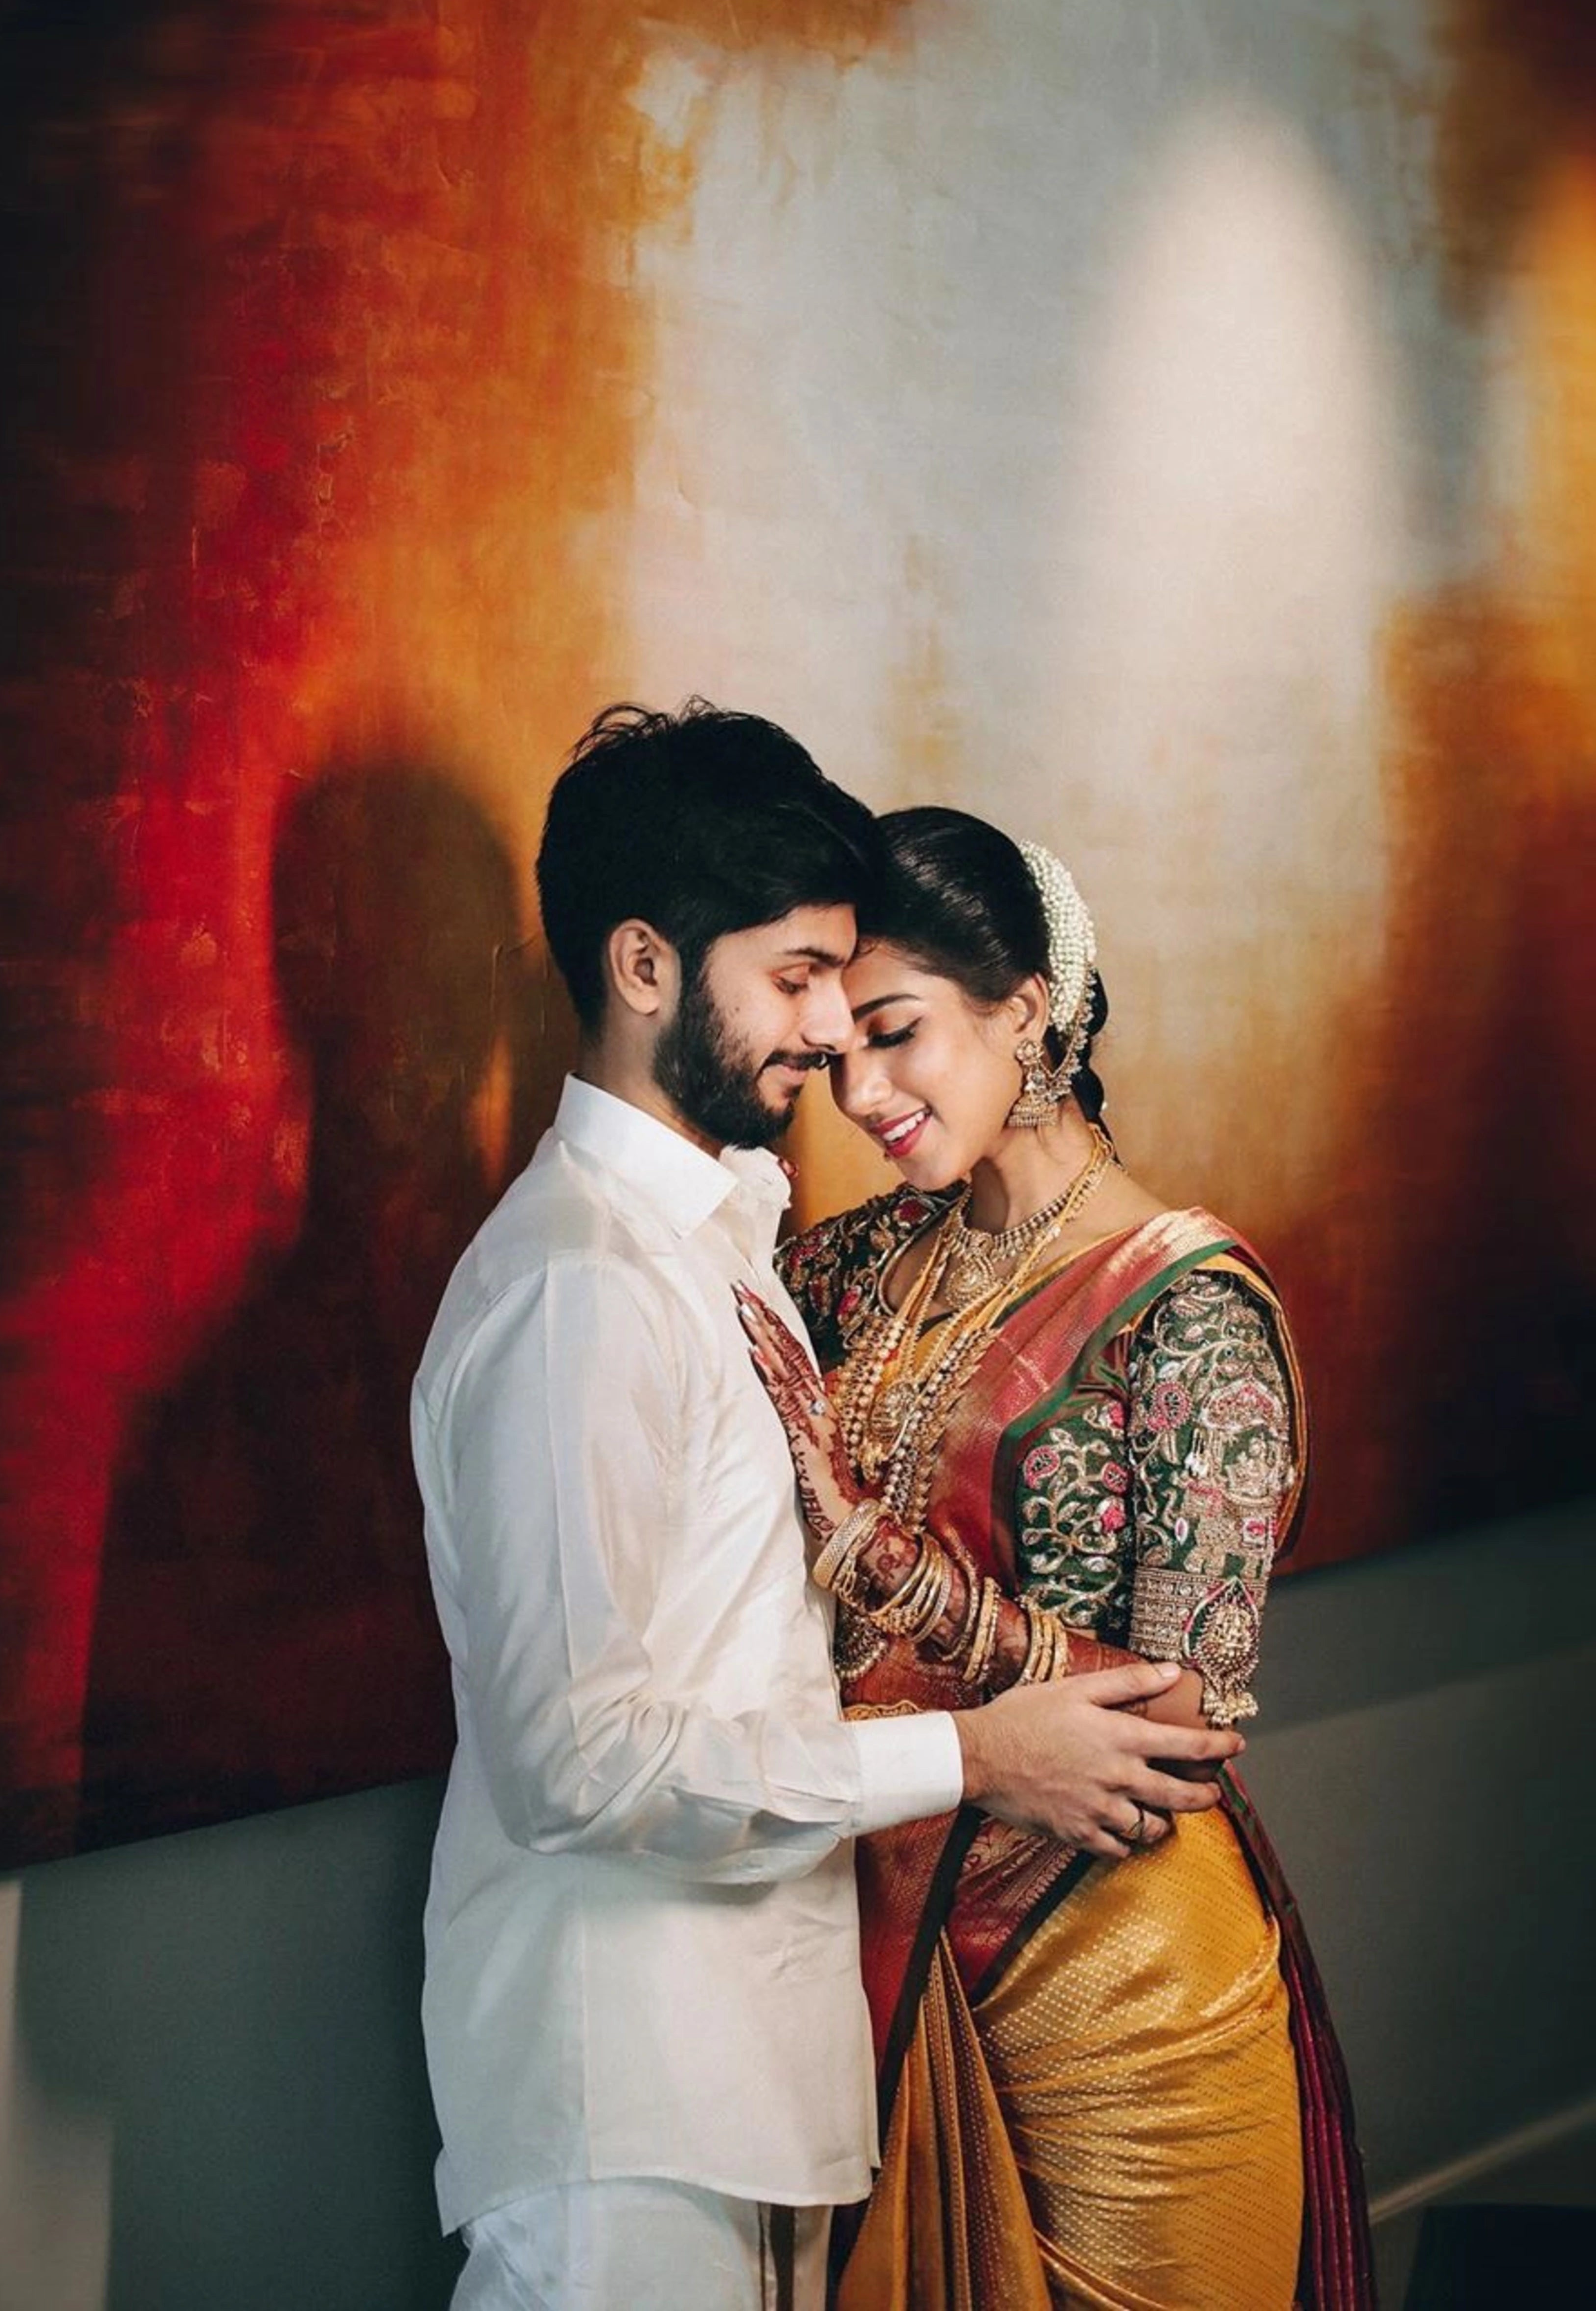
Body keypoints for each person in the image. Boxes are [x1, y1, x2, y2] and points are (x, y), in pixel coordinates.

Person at [411, 707, 1246, 2311]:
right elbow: (580, 1763)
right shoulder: (584, 1286)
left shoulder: (729, 1242)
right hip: (626, 2096)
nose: (826, 1040)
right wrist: (978, 1755)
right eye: (795, 980)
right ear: (644, 967)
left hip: (753, 2066)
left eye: (852, 992)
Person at [739, 807, 1377, 2311]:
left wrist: (877, 1558)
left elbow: (1179, 1724)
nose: (863, 1094)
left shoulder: (1190, 1311)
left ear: (1025, 1009)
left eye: (897, 1033)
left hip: (1117, 1976)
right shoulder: (852, 1266)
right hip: (883, 1934)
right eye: (837, 1055)